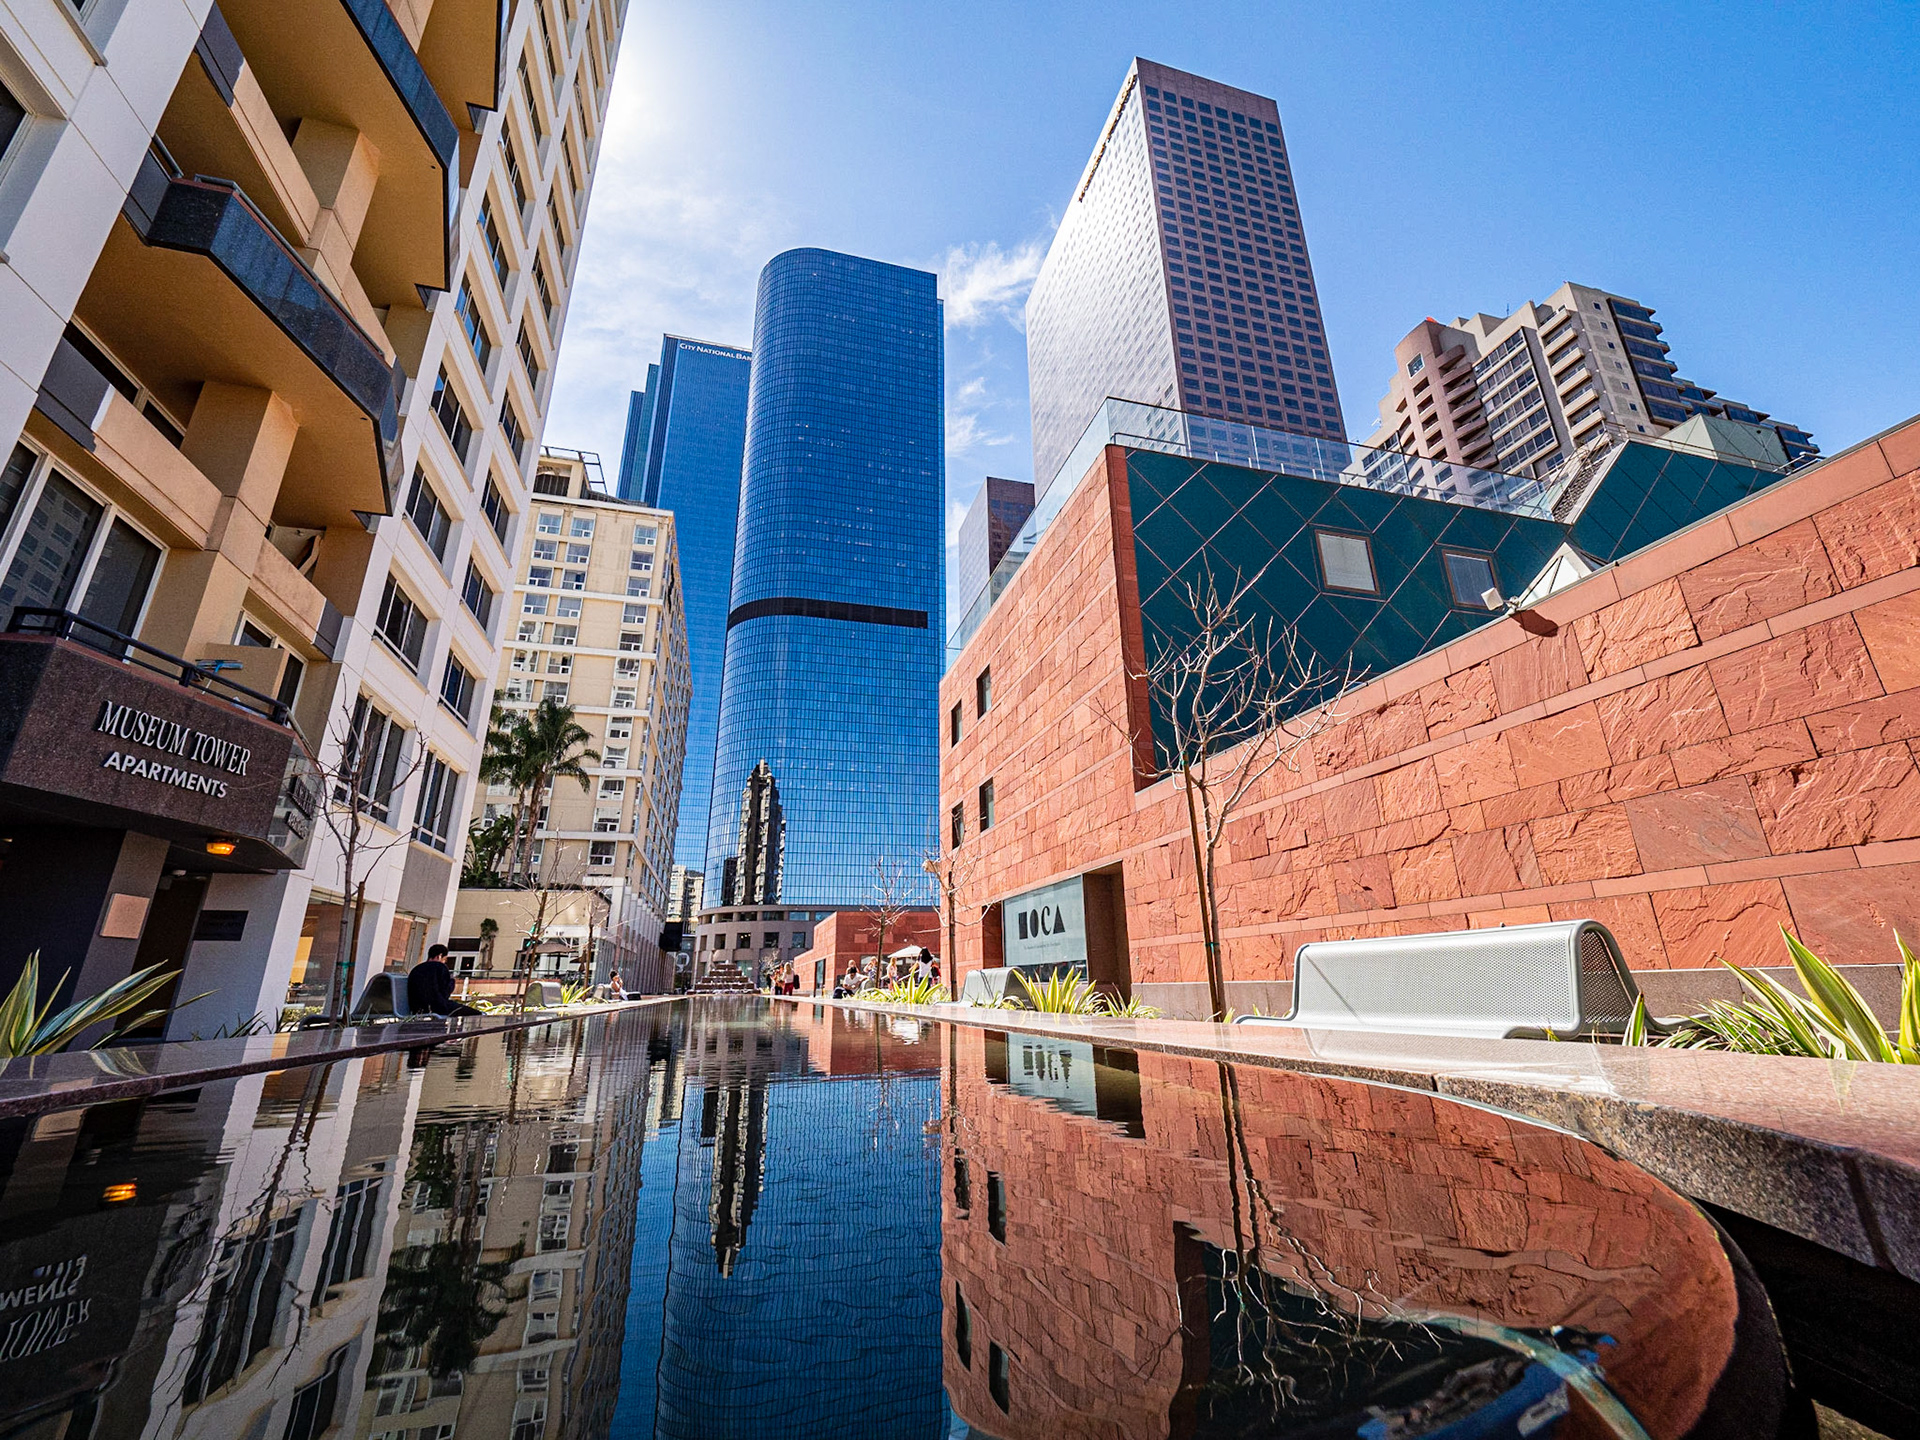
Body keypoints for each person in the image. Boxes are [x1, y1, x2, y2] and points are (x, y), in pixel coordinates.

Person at [408, 945, 483, 1017]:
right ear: (439, 956)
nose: (444, 962)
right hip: (437, 1007)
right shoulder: (440, 968)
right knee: (477, 1013)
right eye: (445, 959)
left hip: (416, 1007)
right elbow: (445, 993)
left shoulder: (417, 969)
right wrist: (452, 982)